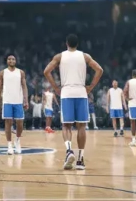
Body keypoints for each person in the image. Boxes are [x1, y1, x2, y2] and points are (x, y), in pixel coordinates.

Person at [44, 33, 103, 171]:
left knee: (66, 126)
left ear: (66, 43)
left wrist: (56, 88)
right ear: (78, 44)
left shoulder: (60, 56)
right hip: (81, 92)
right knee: (81, 126)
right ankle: (80, 160)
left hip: (66, 93)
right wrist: (90, 87)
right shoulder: (85, 56)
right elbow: (99, 70)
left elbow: (46, 71)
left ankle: (69, 151)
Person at [0, 55, 28, 155]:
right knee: (8, 123)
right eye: (9, 59)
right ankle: (9, 145)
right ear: (7, 61)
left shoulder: (21, 72)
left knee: (20, 123)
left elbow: (24, 87)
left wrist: (25, 100)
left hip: (18, 101)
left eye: (13, 59)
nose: (11, 60)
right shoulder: (2, 73)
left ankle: (17, 141)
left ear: (16, 61)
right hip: (7, 101)